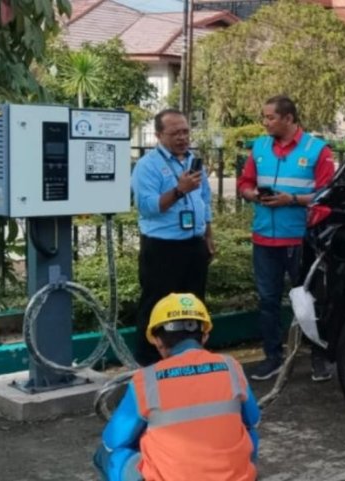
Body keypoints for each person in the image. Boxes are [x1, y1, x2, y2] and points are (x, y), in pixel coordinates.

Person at [93, 293, 260, 481]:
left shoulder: (146, 379)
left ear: (157, 340)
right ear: (204, 336)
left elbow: (113, 440)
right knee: (248, 432)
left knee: (105, 454)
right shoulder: (231, 367)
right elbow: (253, 420)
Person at [236, 95, 336, 382]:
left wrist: (291, 199)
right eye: (264, 117)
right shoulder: (259, 147)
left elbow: (328, 195)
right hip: (264, 238)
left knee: (309, 301)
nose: (266, 122)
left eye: (271, 117)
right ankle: (272, 358)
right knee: (267, 300)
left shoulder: (317, 150)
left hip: (300, 240)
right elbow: (245, 183)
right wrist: (253, 195)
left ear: (289, 118)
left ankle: (320, 358)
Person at [131, 109, 215, 366]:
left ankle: (190, 360)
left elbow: (205, 201)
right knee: (156, 307)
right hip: (162, 249)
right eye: (175, 133)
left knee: (193, 306)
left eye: (185, 131)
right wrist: (179, 190)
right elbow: (147, 206)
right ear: (158, 135)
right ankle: (149, 364)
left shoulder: (193, 161)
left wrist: (209, 236)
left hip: (194, 245)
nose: (182, 137)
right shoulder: (148, 166)